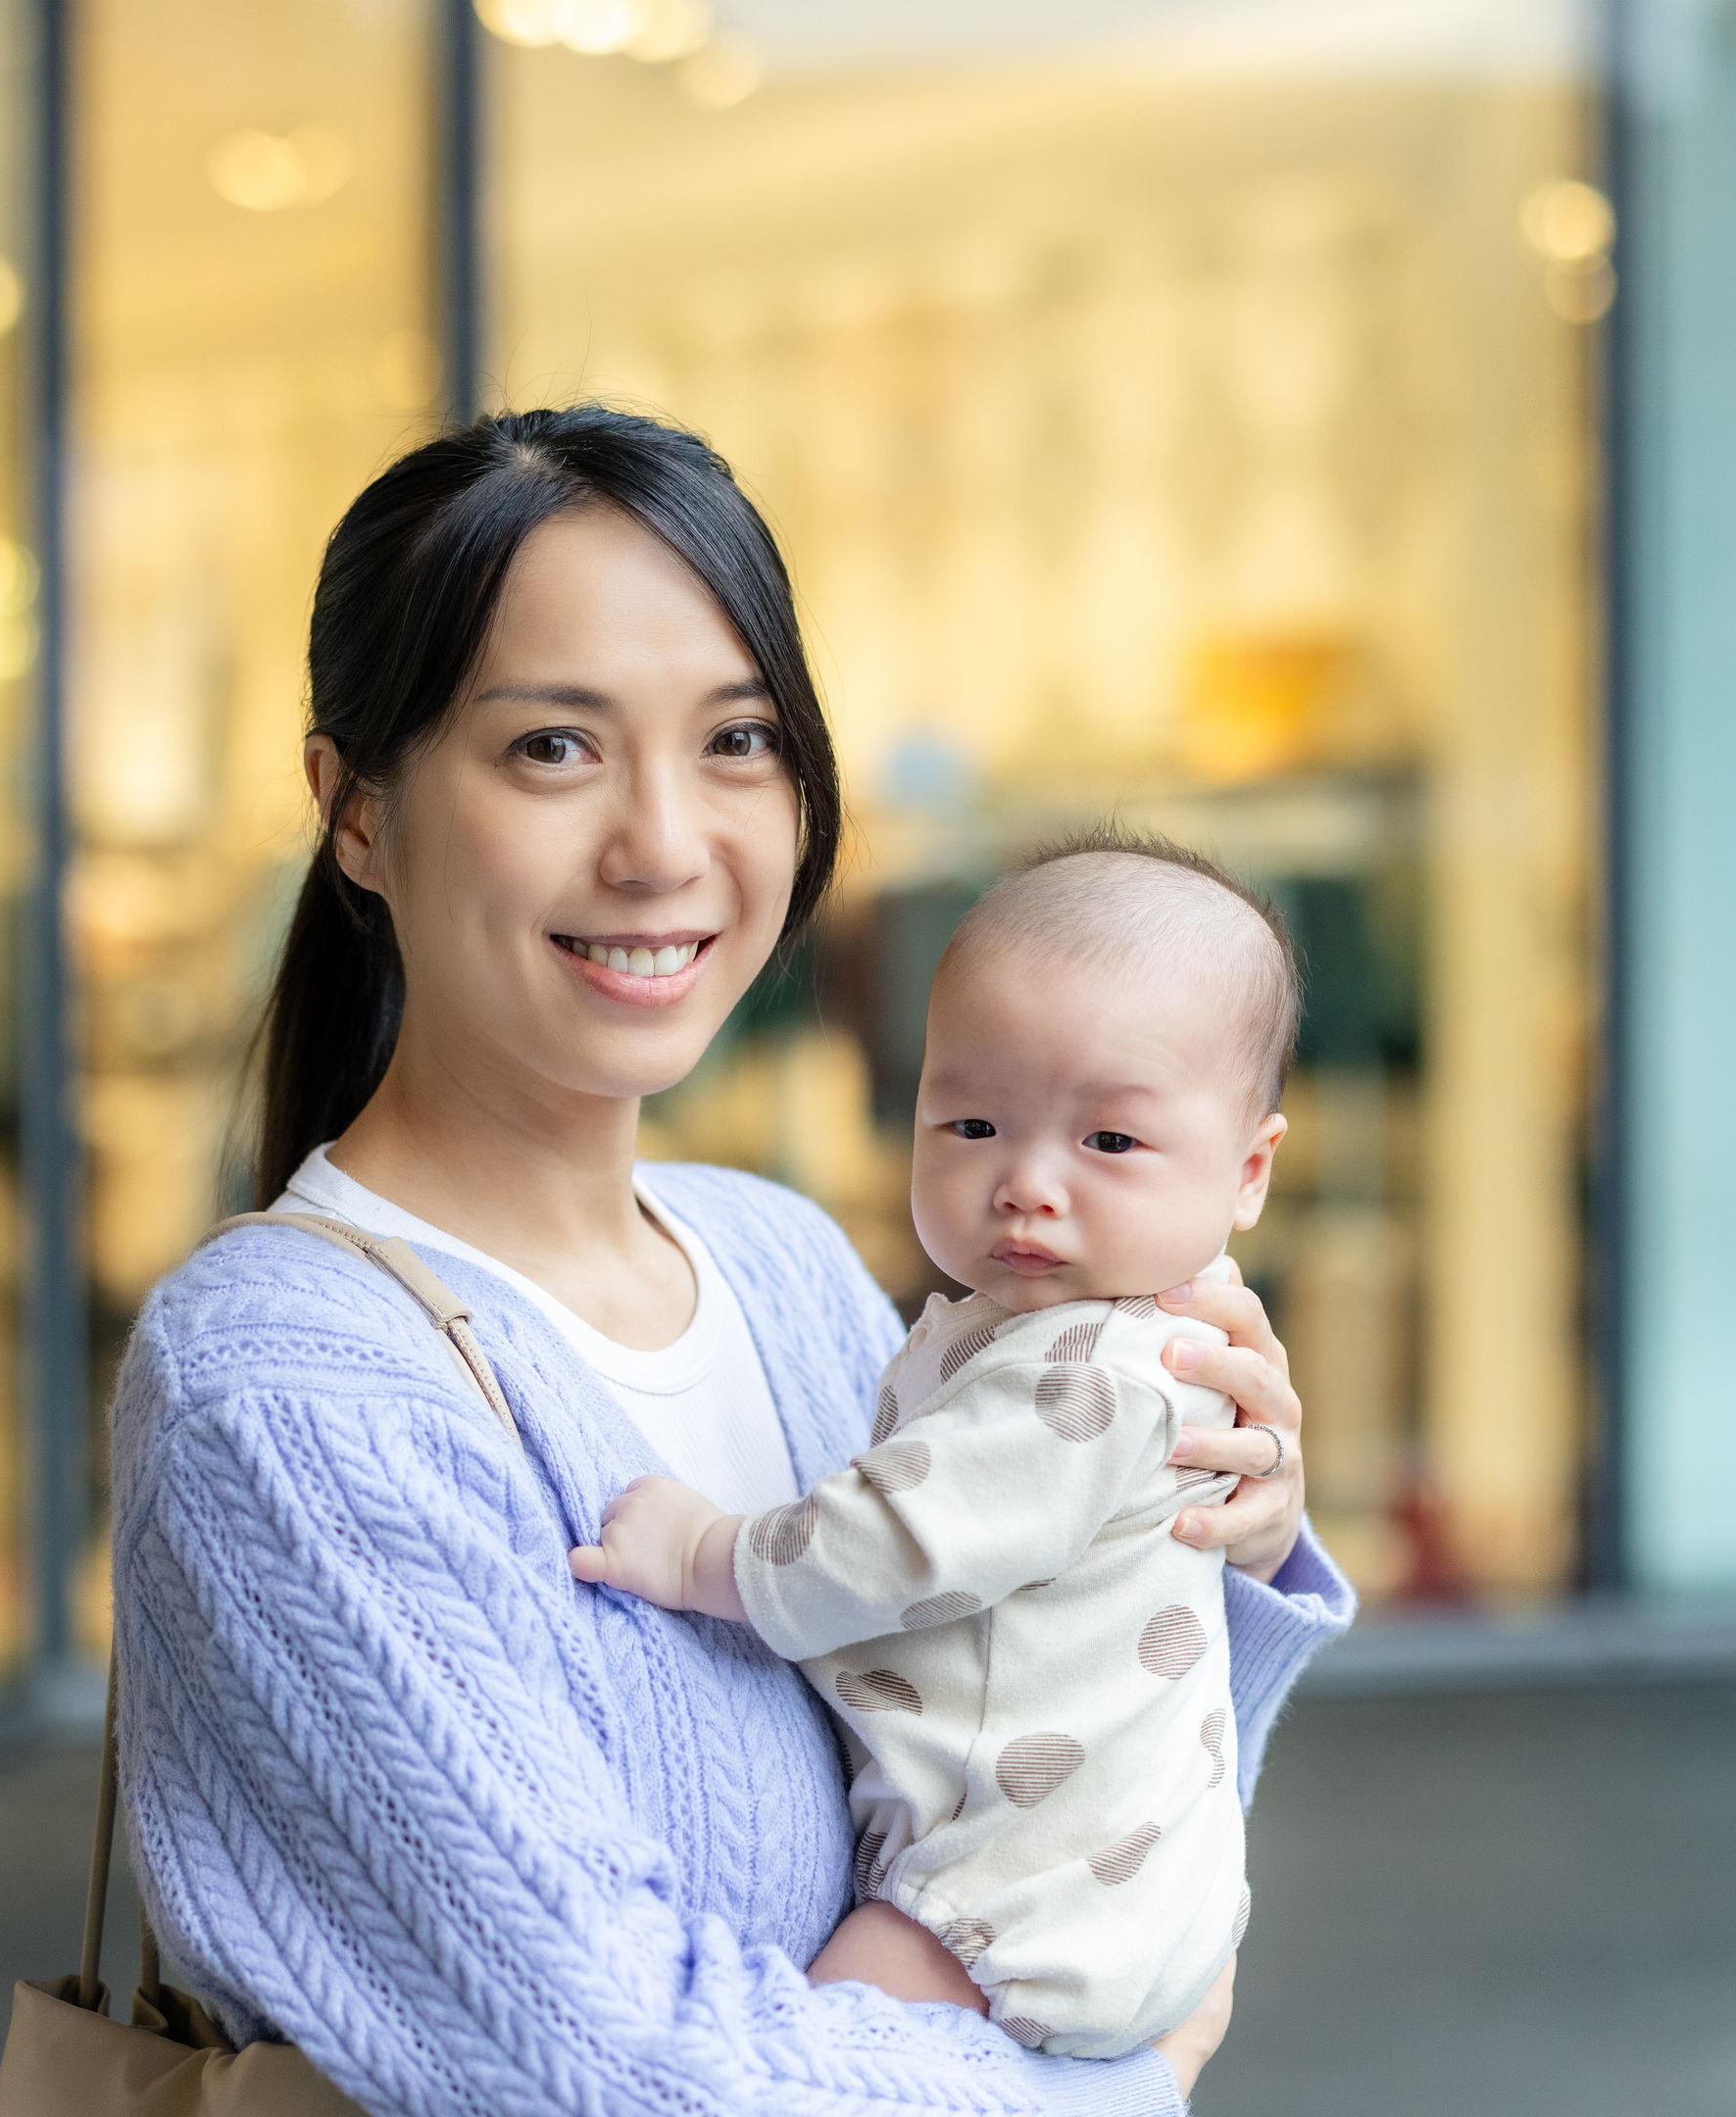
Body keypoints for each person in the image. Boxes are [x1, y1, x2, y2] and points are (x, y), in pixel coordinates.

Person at [107, 406, 1357, 2116]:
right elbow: (611, 2068)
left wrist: (1206, 1521)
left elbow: (1033, 1794)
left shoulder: (782, 1263)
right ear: (357, 814)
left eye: (738, 740)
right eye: (553, 747)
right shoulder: (285, 1383)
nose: (665, 845)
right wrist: (1122, 2090)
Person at [570, 834, 1306, 2061]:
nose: (1025, 1183)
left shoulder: (1085, 1375)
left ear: (1249, 1171)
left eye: (1109, 1143)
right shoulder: (1084, 1331)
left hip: (1006, 1902)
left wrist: (706, 1553)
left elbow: (896, 1542)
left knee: (819, 2058)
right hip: (1117, 1890)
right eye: (969, 1122)